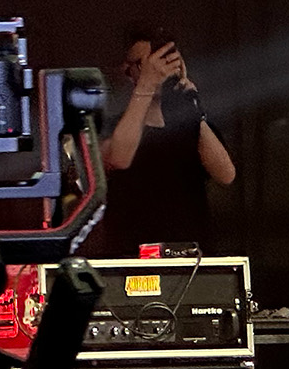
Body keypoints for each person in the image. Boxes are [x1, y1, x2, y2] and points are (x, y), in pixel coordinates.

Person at [96, 25, 236, 256]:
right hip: (131, 255)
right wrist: (146, 85)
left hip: (189, 257)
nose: (156, 71)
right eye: (145, 64)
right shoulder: (112, 125)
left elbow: (226, 174)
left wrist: (192, 107)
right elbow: (119, 158)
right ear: (128, 70)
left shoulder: (188, 124)